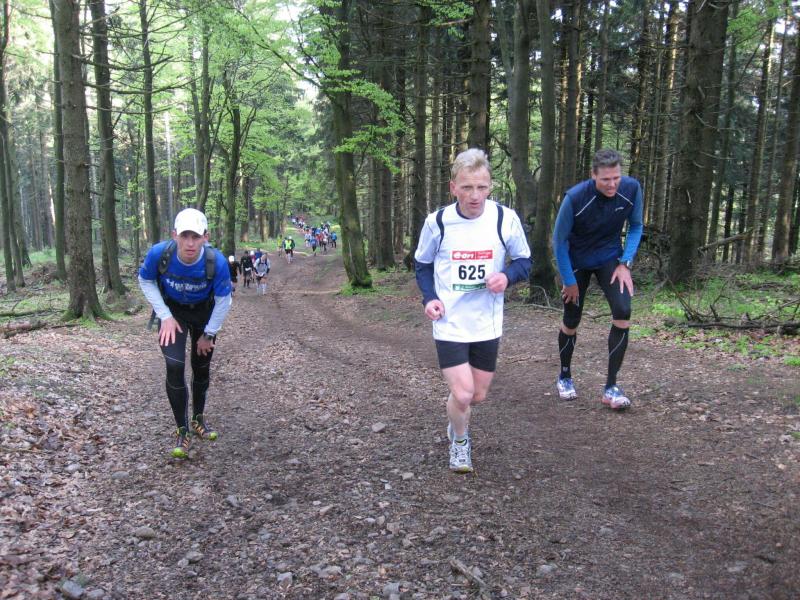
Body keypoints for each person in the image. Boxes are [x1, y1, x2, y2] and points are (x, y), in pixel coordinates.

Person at [414, 148, 531, 473]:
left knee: (477, 396)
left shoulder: (504, 219)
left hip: (486, 322)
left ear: (490, 186)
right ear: (453, 188)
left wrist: (507, 277)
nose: (475, 195)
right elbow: (422, 264)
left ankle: (456, 419)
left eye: (481, 187)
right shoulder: (438, 222)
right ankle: (460, 442)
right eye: (467, 187)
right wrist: (429, 298)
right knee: (463, 393)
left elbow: (525, 261)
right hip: (450, 321)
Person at [551, 148, 643, 410]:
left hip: (609, 257)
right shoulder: (576, 197)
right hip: (576, 259)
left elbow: (636, 226)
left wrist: (625, 263)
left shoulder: (631, 189)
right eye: (605, 179)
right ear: (593, 176)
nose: (612, 184)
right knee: (572, 319)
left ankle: (611, 387)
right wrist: (568, 280)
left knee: (623, 310)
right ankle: (565, 376)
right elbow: (559, 241)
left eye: (616, 178)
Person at [138, 208, 232, 458]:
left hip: (204, 313)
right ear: (175, 235)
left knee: (201, 366)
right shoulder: (159, 254)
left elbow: (224, 300)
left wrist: (209, 334)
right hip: (173, 312)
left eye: (196, 237)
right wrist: (165, 316)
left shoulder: (216, 262)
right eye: (185, 236)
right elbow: (145, 280)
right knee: (174, 365)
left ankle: (198, 419)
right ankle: (182, 430)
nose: (190, 243)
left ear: (205, 237)